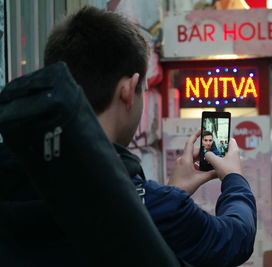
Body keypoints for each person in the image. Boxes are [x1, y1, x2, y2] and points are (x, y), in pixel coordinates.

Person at [1, 6, 257, 267]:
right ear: (127, 90)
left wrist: (173, 193)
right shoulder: (152, 204)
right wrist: (235, 179)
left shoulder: (13, 176)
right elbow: (234, 239)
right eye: (143, 90)